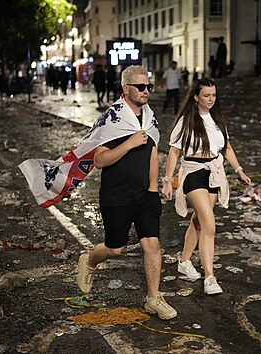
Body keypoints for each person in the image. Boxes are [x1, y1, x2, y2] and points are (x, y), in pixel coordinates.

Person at [76, 65, 177, 320]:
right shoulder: (111, 119)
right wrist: (129, 142)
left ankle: (153, 298)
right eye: (140, 87)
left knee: (152, 244)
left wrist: (154, 188)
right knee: (115, 248)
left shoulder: (149, 116)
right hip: (116, 195)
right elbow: (99, 160)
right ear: (125, 88)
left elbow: (153, 152)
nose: (146, 92)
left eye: (149, 87)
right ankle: (89, 260)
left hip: (145, 194)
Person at [161, 78, 251, 295]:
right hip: (193, 173)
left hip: (214, 173)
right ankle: (210, 277)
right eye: (206, 95)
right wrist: (168, 180)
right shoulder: (186, 120)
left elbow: (226, 147)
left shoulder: (217, 119)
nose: (211, 99)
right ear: (196, 97)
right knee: (209, 224)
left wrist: (239, 170)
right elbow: (174, 151)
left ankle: (184, 261)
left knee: (199, 222)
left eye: (213, 95)